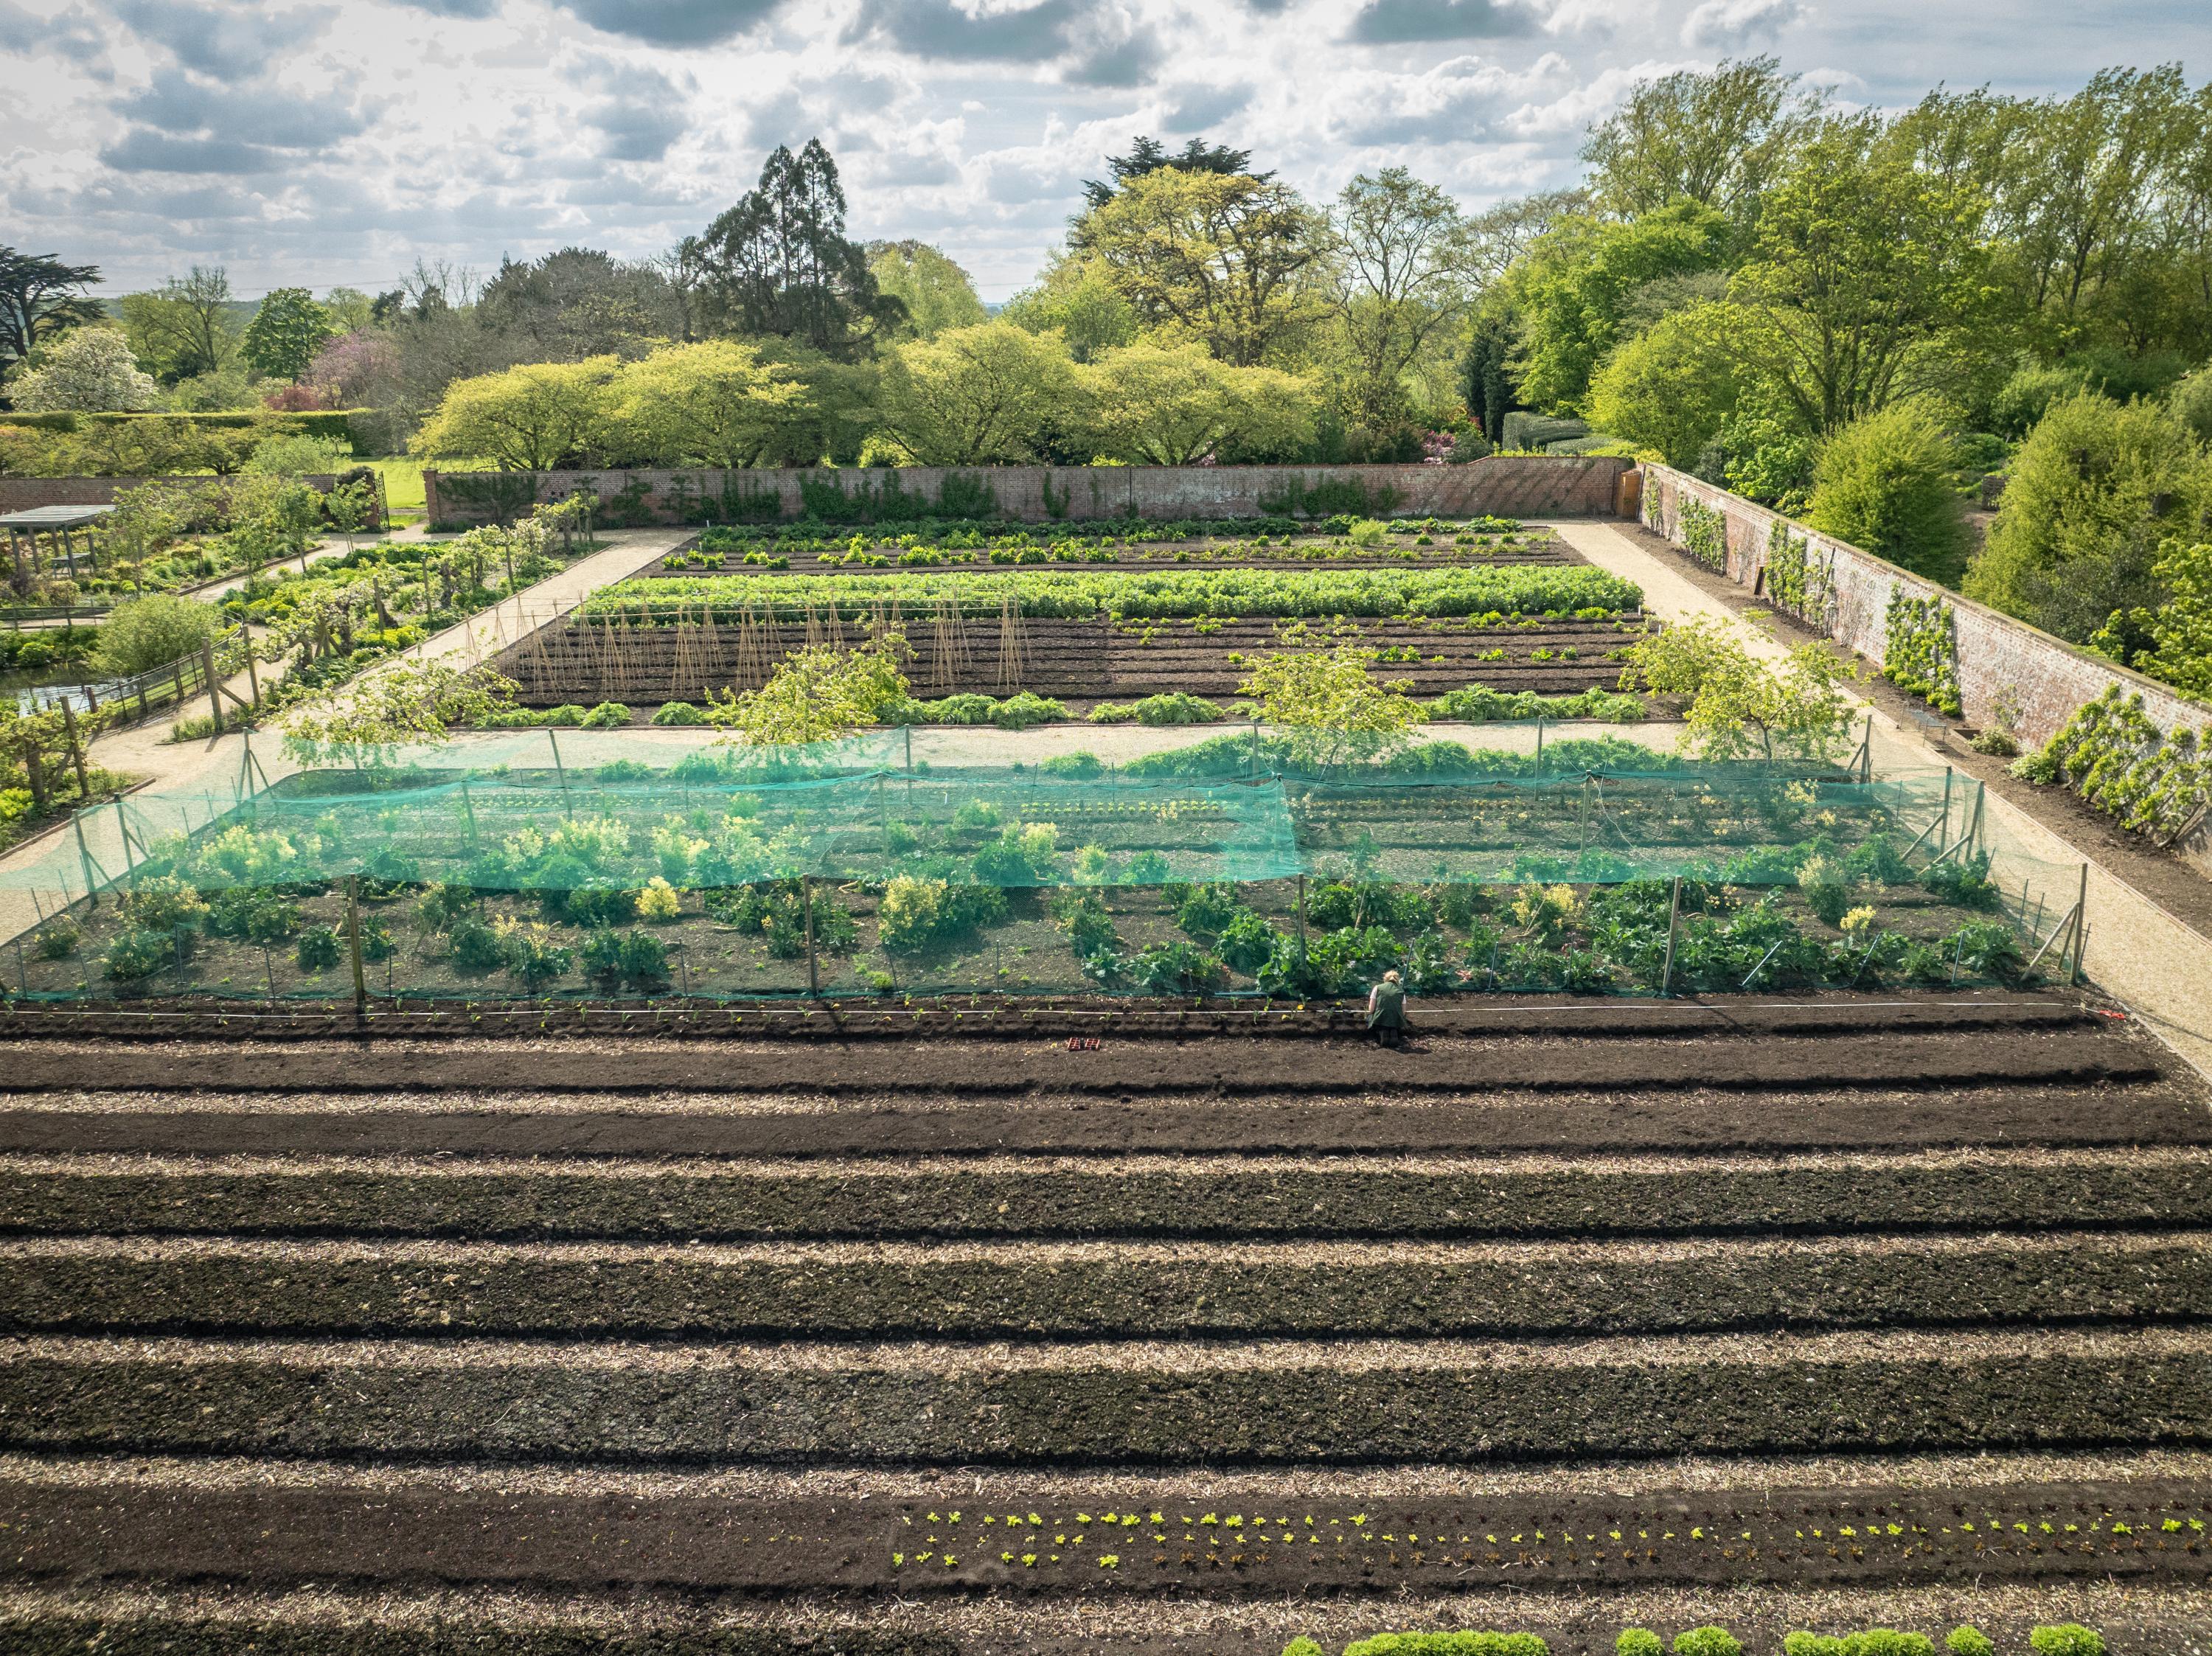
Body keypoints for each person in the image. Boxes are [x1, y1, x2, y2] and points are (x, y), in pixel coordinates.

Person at [1366, 968, 1410, 1048]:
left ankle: (1382, 1032)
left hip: (1381, 1018)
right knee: (1393, 1019)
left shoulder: (1377, 988)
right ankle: (1393, 1031)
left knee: (1369, 1017)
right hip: (1396, 1020)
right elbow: (1403, 1012)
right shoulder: (1401, 991)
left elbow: (1371, 1009)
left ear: (1385, 979)